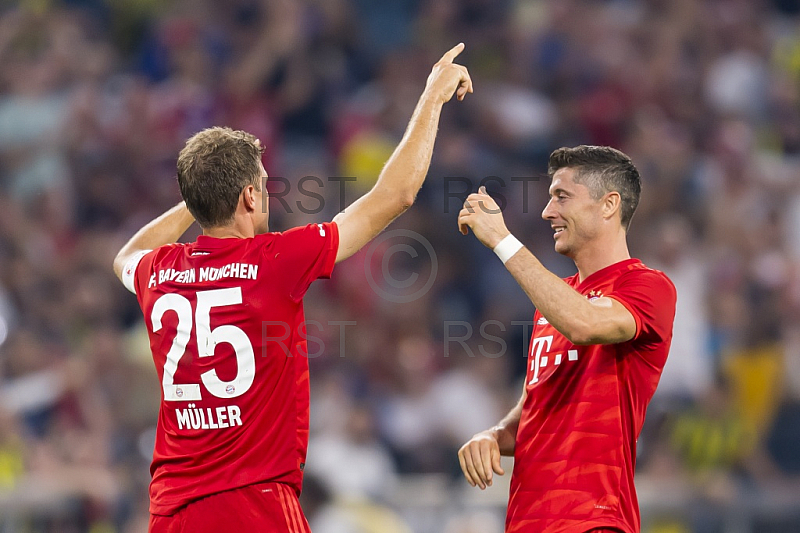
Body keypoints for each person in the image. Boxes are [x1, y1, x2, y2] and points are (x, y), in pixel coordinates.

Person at [112, 44, 472, 533]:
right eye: (262, 184)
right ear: (249, 196)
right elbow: (395, 196)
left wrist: (202, 199)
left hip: (172, 510)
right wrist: (432, 97)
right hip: (255, 502)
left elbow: (124, 256)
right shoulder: (274, 261)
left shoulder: (158, 270)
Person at [456, 146, 677, 533]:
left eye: (562, 196)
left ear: (608, 205)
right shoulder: (553, 302)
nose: (547, 211)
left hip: (594, 519)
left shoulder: (646, 287)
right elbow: (536, 408)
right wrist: (493, 435)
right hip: (527, 520)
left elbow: (585, 324)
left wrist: (502, 240)